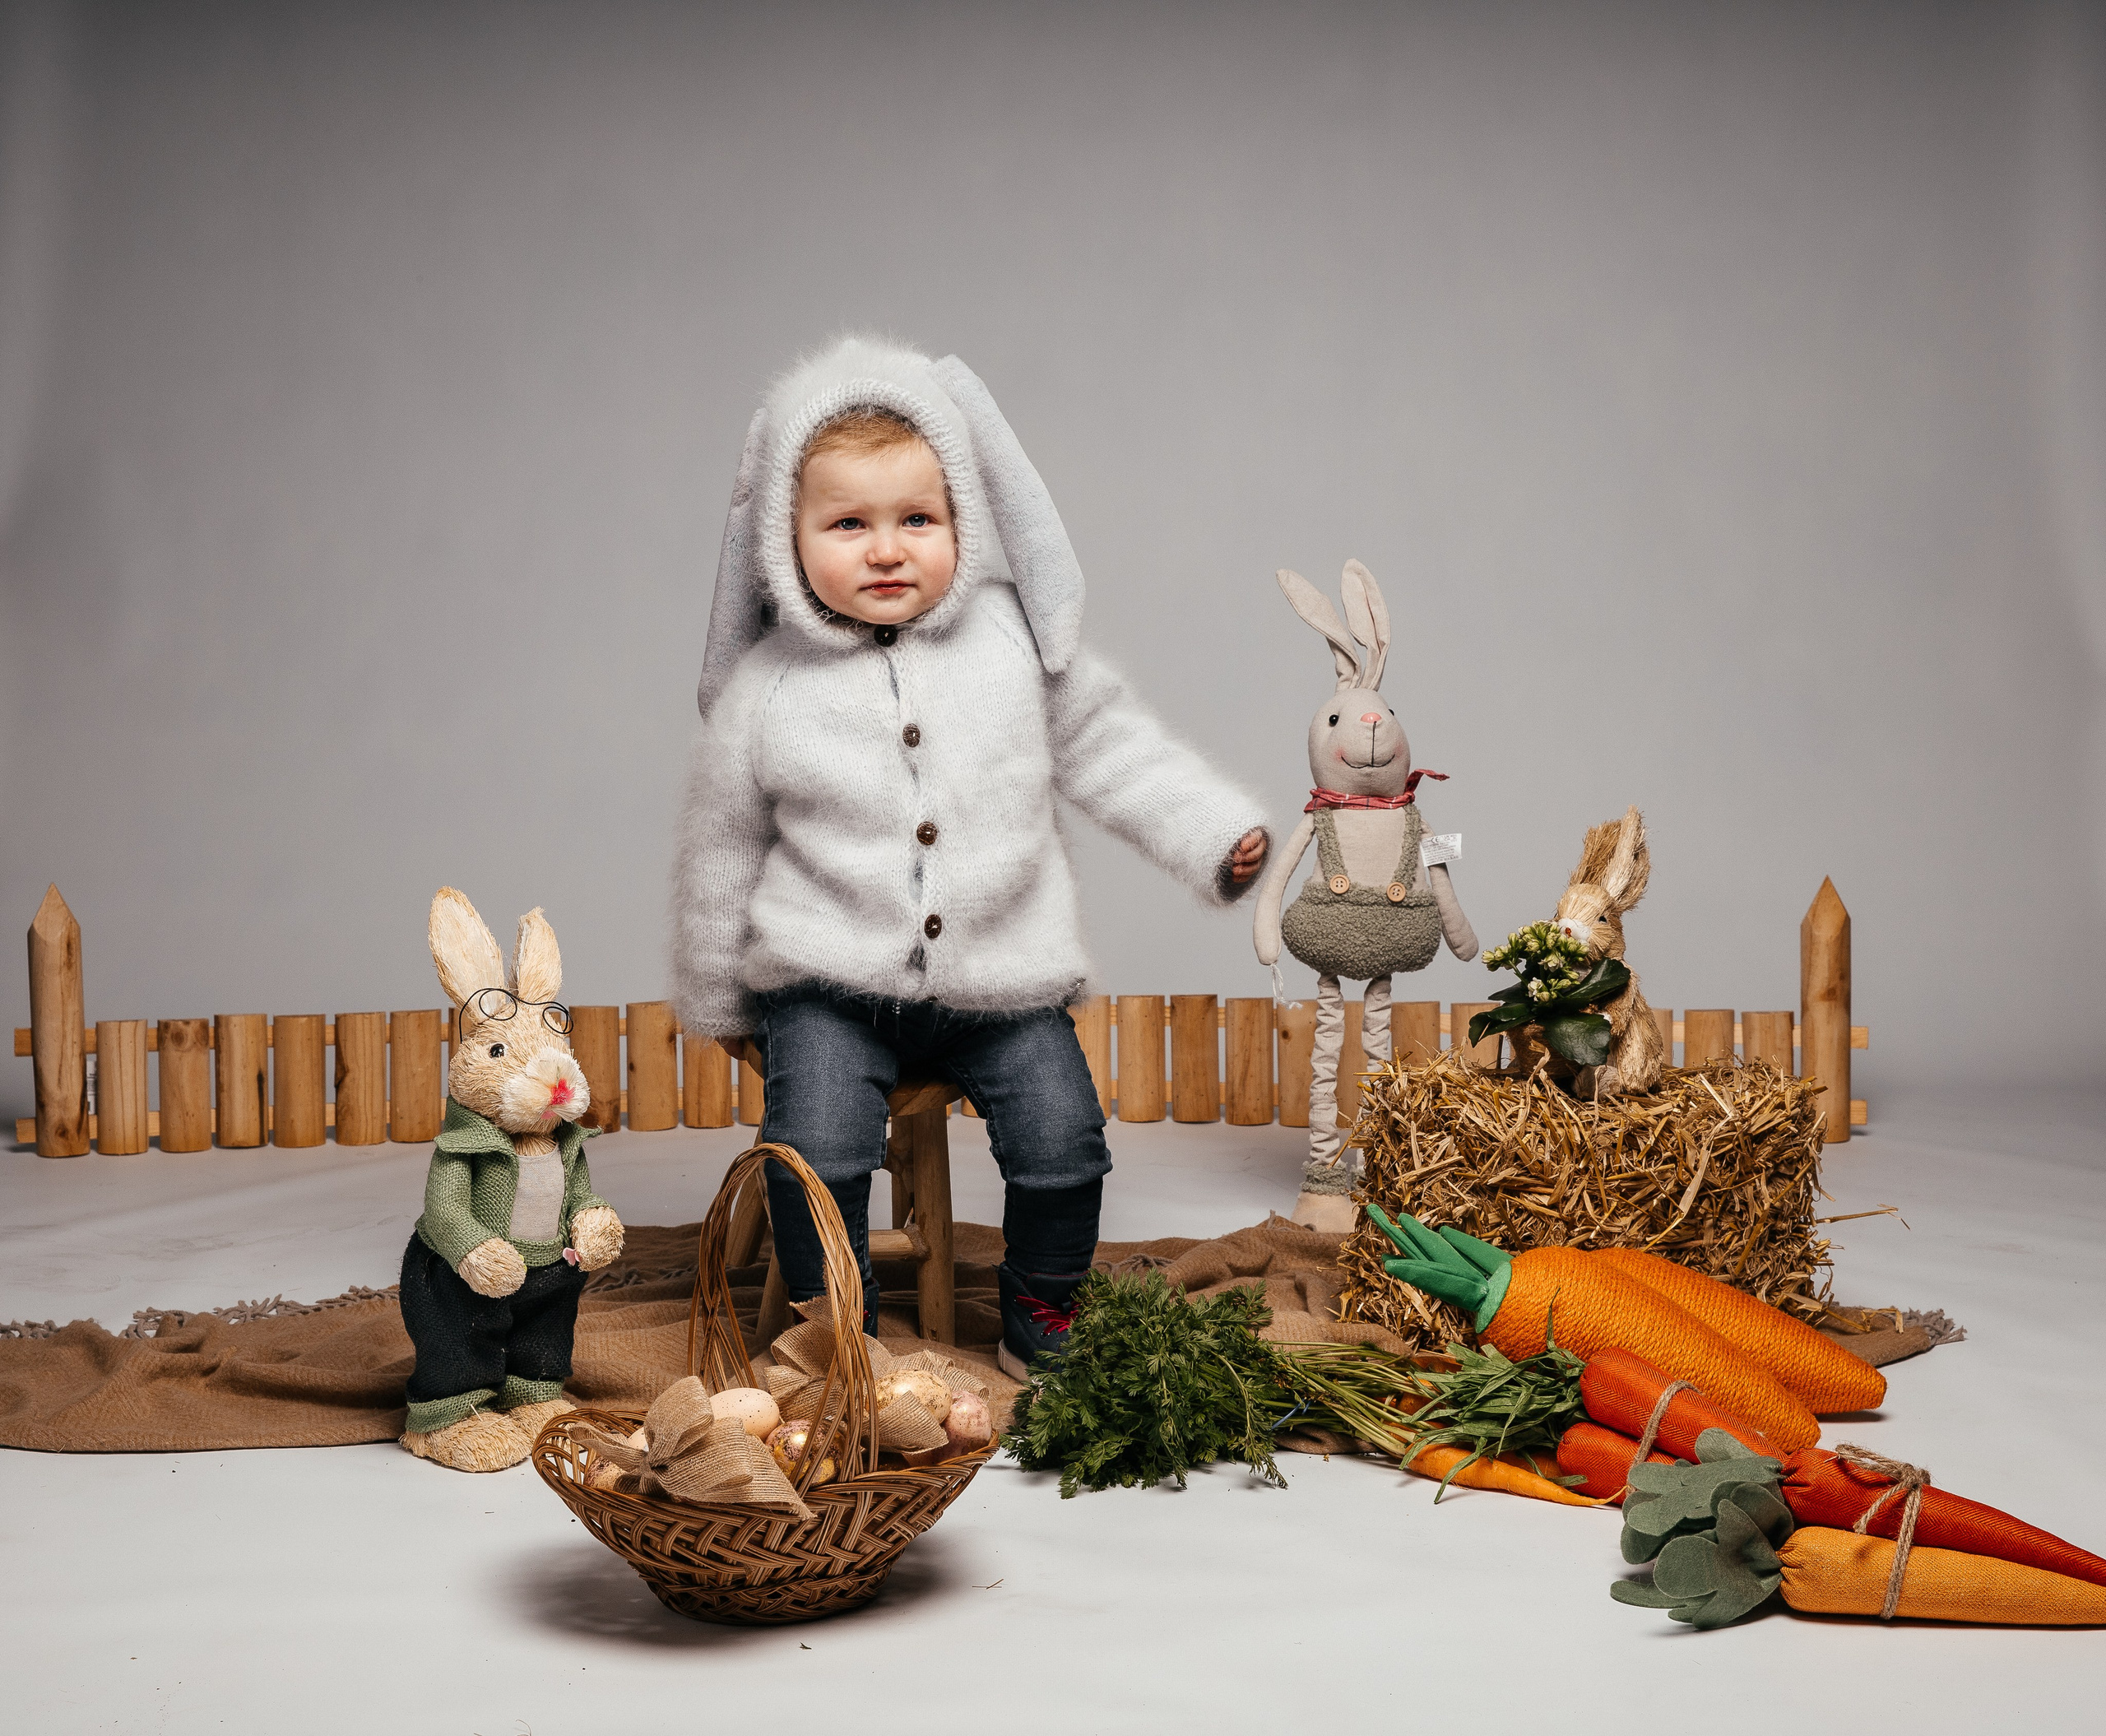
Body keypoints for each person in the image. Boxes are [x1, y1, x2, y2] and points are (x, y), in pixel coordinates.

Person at [670, 337, 1267, 1377]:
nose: (886, 548)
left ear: (965, 524)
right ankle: (829, 1330)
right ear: (786, 537)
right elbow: (718, 855)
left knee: (1064, 1136)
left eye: (917, 519)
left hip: (1000, 975)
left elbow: (1112, 747)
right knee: (816, 1152)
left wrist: (1214, 833)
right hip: (826, 981)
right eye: (847, 524)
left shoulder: (1005, 646)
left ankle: (1044, 1307)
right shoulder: (769, 689)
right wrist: (721, 1004)